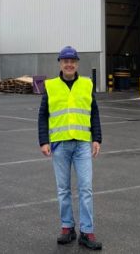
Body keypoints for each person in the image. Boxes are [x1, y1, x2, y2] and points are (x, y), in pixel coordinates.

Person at [38, 46, 103, 250]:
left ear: (77, 63)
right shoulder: (51, 86)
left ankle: (87, 231)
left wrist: (97, 138)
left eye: (72, 61)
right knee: (63, 189)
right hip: (60, 145)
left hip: (82, 144)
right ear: (60, 63)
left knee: (86, 188)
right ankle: (67, 227)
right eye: (65, 61)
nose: (69, 64)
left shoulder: (86, 84)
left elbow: (94, 112)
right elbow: (43, 115)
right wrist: (43, 141)